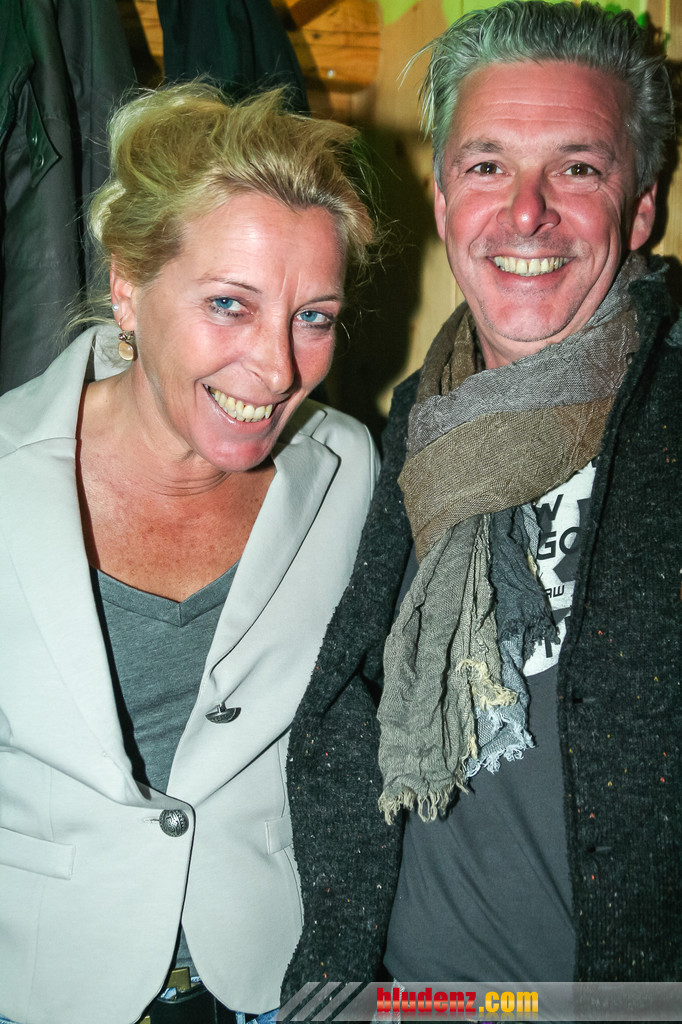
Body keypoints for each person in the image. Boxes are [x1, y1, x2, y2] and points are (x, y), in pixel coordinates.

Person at [0, 83, 400, 1024]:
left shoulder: (347, 468)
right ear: (127, 286)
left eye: (314, 316)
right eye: (229, 304)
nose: (277, 367)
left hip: (272, 987)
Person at [311, 0, 681, 989]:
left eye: (578, 168)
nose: (526, 213)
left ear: (641, 208)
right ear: (442, 204)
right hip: (403, 996)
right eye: (486, 167)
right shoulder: (403, 429)